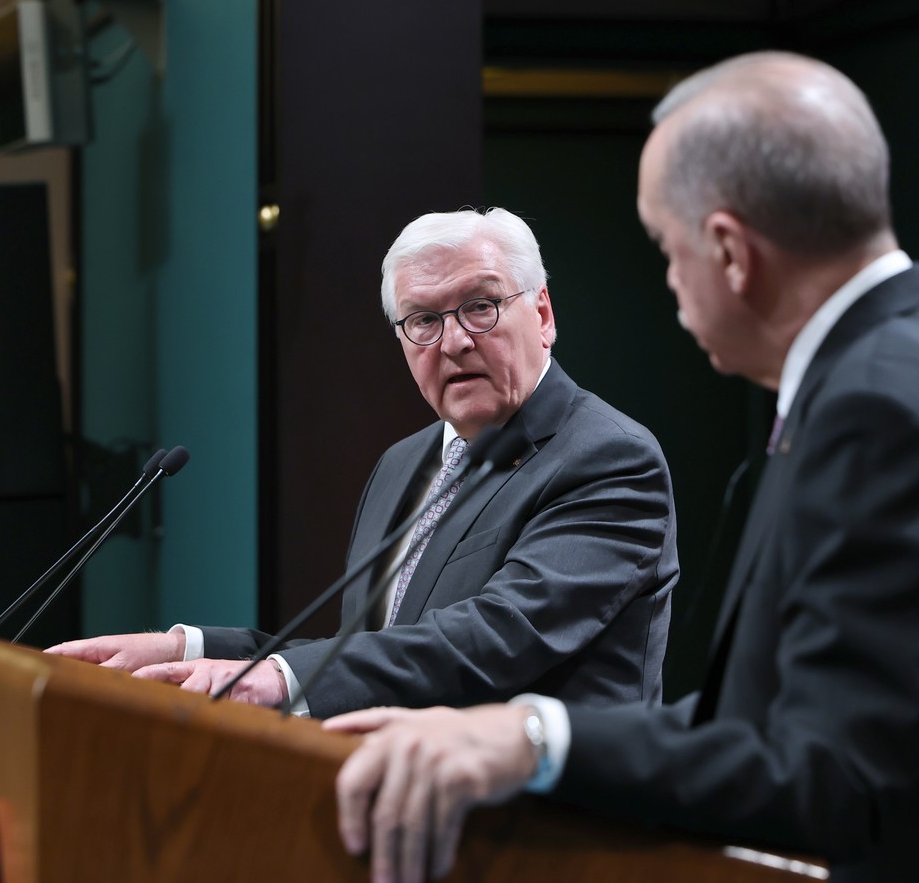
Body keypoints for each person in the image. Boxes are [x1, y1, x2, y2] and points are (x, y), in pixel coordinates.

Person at [326, 52, 919, 883]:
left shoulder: (879, 415)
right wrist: (514, 733)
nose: (669, 283)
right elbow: (778, 722)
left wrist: (532, 739)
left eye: (667, 248)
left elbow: (822, 771)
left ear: (731, 251)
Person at [48, 208, 679, 718]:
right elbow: (373, 652)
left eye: (480, 306)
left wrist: (278, 679)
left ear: (541, 313)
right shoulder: (404, 466)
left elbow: (496, 637)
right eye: (423, 320)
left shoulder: (606, 457)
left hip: (555, 843)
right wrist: (187, 649)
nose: (455, 340)